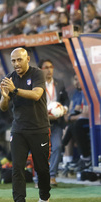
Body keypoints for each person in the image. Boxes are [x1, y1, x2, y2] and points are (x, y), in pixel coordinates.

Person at [0, 48, 51, 202]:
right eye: (13, 61)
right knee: (17, 167)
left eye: (19, 60)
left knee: (41, 168)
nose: (16, 64)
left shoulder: (37, 74)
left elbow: (36, 95)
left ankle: (43, 198)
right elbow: (3, 106)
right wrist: (4, 96)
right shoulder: (9, 78)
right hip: (19, 129)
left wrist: (14, 90)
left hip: (39, 128)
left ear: (27, 59)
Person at [38, 59, 69, 187]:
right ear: (40, 69)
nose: (49, 70)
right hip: (40, 122)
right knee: (40, 150)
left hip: (56, 122)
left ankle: (52, 176)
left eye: (51, 67)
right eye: (46, 67)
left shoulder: (59, 83)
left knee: (57, 146)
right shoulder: (36, 84)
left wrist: (64, 110)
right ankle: (39, 179)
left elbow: (66, 99)